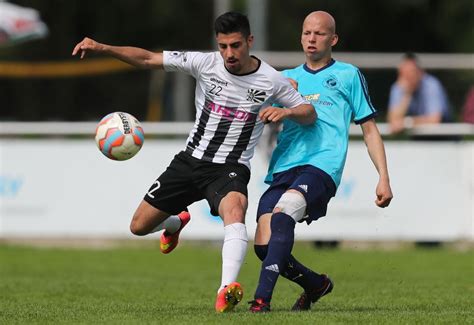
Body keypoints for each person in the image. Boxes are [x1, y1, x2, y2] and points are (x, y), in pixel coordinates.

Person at [72, 12, 315, 313]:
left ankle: (226, 288)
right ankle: (175, 222)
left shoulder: (272, 80)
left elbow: (308, 111)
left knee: (235, 210)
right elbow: (148, 59)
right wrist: (102, 47)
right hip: (190, 161)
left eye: (236, 45)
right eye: (223, 46)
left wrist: (288, 112)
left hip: (230, 167)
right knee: (138, 226)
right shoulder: (204, 63)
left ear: (249, 42)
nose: (229, 53)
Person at [248, 11, 393, 313]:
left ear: (333, 39)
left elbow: (369, 130)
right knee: (263, 245)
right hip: (285, 165)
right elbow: (260, 117)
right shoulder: (287, 78)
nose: (311, 39)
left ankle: (261, 300)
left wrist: (383, 177)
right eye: (306, 33)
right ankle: (316, 284)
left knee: (284, 213)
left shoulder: (348, 75)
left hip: (322, 166)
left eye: (319, 33)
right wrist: (271, 101)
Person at [387, 52, 450, 134]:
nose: (408, 77)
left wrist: (407, 122)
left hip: (443, 136)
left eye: (411, 73)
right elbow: (393, 122)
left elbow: (435, 120)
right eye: (404, 74)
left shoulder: (432, 85)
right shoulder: (398, 87)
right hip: (418, 138)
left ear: (420, 72)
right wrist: (407, 95)